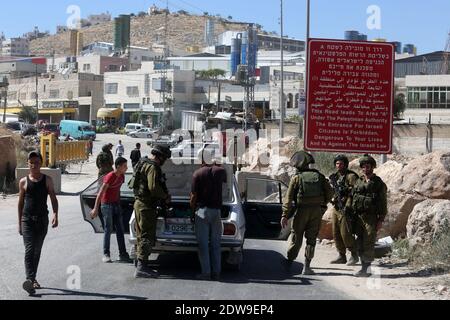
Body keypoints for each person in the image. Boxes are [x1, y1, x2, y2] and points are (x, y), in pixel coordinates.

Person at [281, 151, 333, 275]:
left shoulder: (297, 178)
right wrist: (322, 205)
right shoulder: (319, 177)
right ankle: (307, 267)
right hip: (316, 212)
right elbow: (330, 193)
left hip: (301, 211)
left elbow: (288, 199)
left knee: (296, 237)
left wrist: (285, 215)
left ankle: (289, 262)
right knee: (311, 239)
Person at [18, 151, 59, 295]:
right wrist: (19, 223)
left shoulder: (47, 180)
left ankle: (32, 279)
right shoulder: (23, 181)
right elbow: (20, 203)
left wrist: (55, 214)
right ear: (28, 164)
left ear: (41, 163)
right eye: (31, 162)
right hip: (27, 220)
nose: (34, 165)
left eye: (37, 162)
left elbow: (53, 198)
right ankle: (30, 279)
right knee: (29, 249)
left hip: (42, 220)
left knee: (37, 251)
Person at [129, 145, 172, 278]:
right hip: (146, 206)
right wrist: (165, 196)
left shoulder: (142, 162)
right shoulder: (153, 167)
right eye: (164, 158)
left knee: (141, 235)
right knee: (147, 235)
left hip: (138, 203)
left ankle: (140, 263)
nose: (164, 161)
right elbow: (153, 187)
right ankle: (142, 267)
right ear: (160, 156)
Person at [190, 148, 227, 281]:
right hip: (216, 211)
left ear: (202, 159)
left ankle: (206, 273)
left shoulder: (197, 173)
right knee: (216, 244)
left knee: (203, 244)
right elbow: (224, 186)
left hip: (202, 211)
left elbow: (194, 196)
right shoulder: (221, 171)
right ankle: (216, 272)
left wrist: (192, 210)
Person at [90, 157, 132, 264]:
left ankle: (123, 254)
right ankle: (106, 254)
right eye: (124, 166)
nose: (126, 168)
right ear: (118, 167)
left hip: (116, 205)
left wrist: (119, 203)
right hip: (106, 205)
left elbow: (117, 191)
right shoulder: (110, 177)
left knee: (120, 229)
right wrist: (95, 208)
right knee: (108, 229)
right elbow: (100, 193)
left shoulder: (122, 176)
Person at [351, 154, 388, 277]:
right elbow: (353, 198)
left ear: (372, 167)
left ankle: (367, 269)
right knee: (359, 242)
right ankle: (363, 267)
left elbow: (383, 202)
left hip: (371, 218)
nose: (365, 169)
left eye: (368, 167)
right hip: (358, 217)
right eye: (363, 167)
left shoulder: (378, 183)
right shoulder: (359, 181)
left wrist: (380, 220)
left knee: (368, 242)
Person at [329, 155, 360, 266]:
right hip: (336, 207)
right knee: (335, 232)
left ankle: (354, 254)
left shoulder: (351, 176)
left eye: (341, 163)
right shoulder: (334, 177)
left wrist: (347, 206)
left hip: (346, 208)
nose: (339, 166)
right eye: (337, 163)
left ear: (345, 165)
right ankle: (341, 255)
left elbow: (354, 193)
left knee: (345, 233)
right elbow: (330, 190)